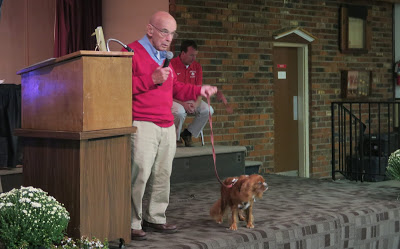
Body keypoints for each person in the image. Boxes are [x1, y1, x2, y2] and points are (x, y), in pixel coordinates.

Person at [125, 11, 218, 241]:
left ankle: (155, 217)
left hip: (166, 124)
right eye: (164, 31)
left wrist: (199, 90)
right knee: (139, 175)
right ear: (150, 30)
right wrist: (151, 79)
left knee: (162, 174)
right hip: (142, 123)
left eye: (172, 34)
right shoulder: (131, 51)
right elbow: (119, 86)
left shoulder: (164, 56)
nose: (168, 38)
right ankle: (131, 221)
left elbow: (176, 89)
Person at [170, 40, 214, 147]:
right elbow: (168, 91)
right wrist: (183, 104)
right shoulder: (171, 64)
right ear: (183, 53)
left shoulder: (197, 67)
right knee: (179, 112)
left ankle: (187, 134)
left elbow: (199, 90)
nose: (194, 58)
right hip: (174, 99)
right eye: (191, 55)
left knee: (208, 110)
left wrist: (196, 103)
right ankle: (175, 139)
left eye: (195, 55)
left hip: (191, 99)